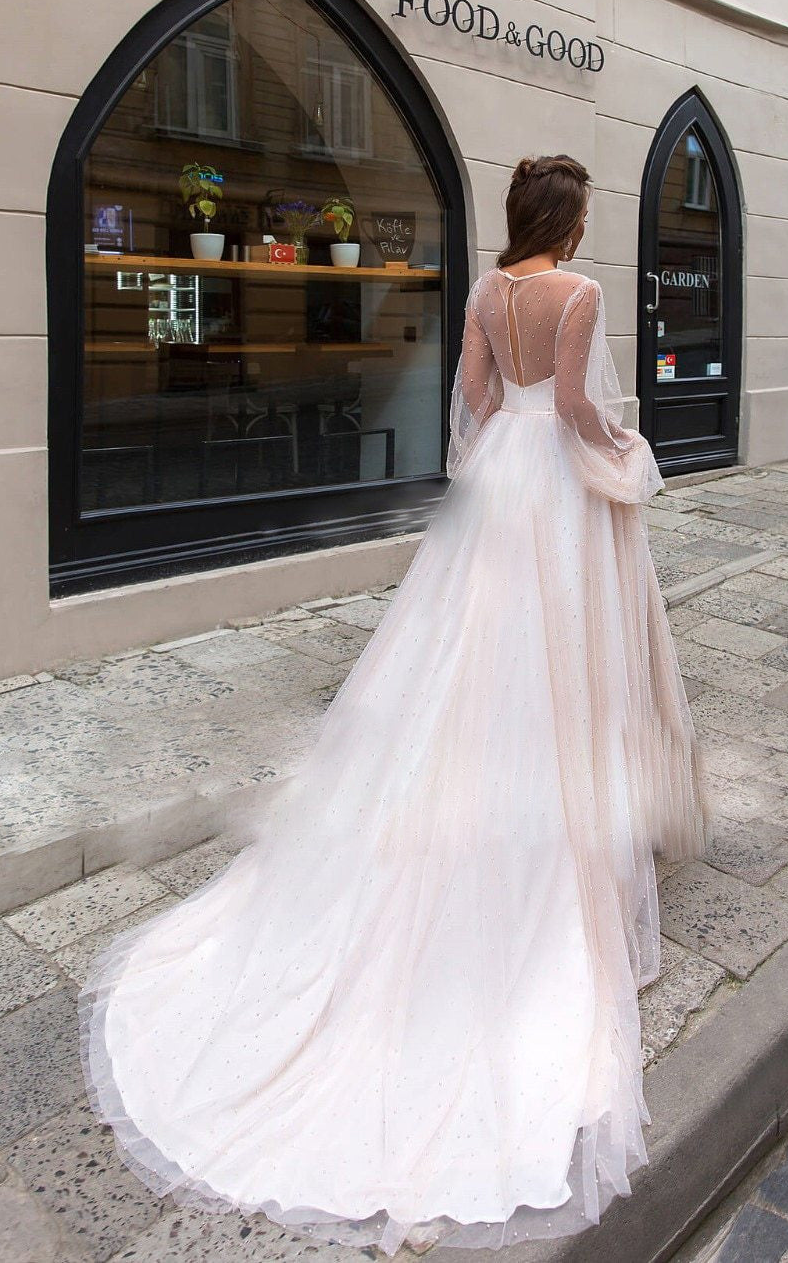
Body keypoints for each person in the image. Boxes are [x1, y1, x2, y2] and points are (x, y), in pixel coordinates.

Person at [78, 153, 713, 1256]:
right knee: (560, 658)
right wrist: (625, 450)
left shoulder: (485, 291)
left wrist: (497, 443)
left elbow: (475, 398)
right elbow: (571, 406)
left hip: (495, 486)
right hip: (553, 487)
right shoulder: (579, 292)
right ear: (566, 220)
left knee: (461, 657)